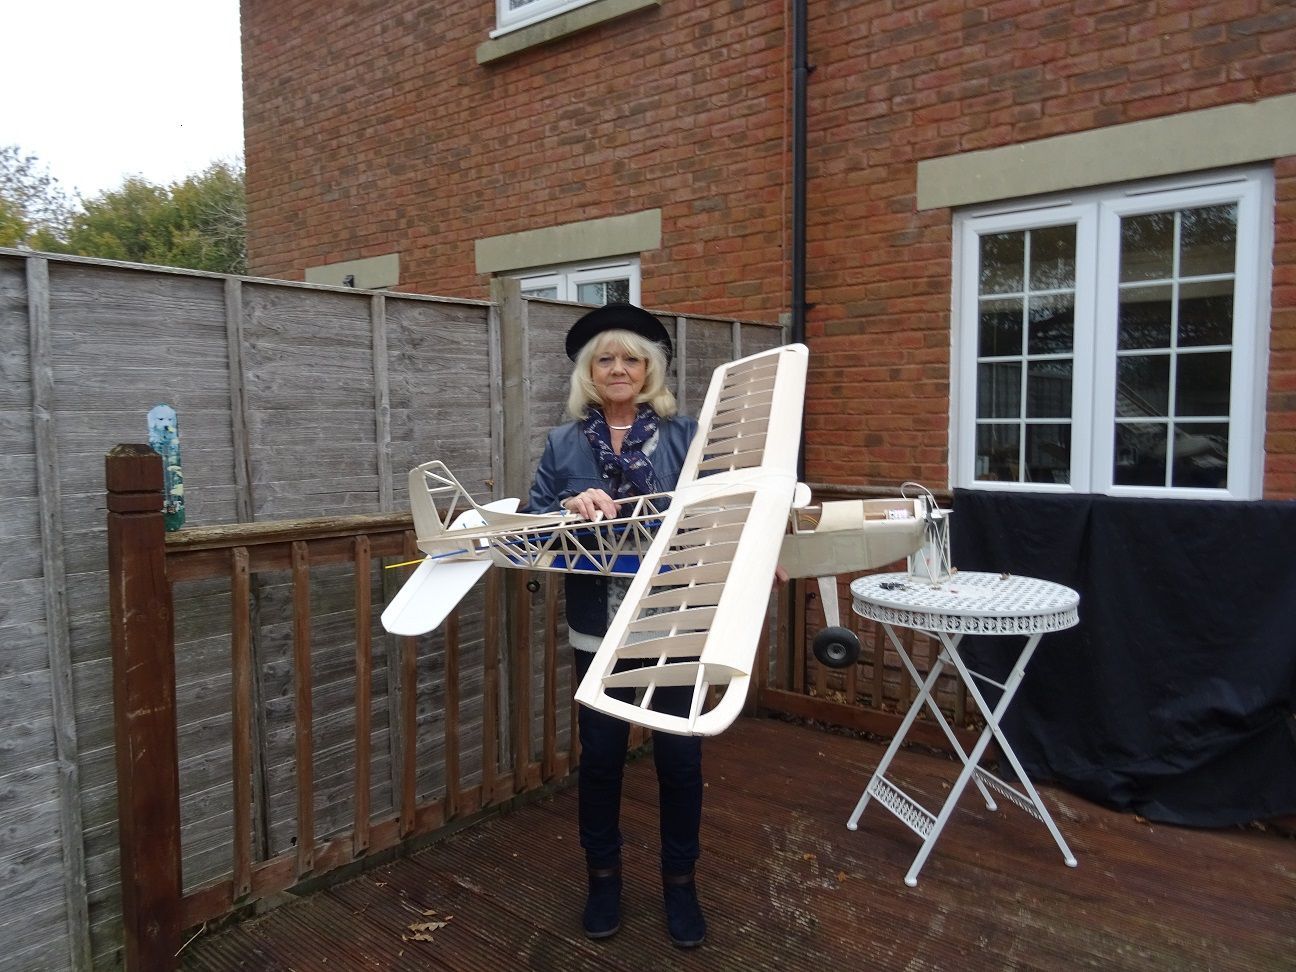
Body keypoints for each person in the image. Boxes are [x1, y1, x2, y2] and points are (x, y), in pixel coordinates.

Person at [525, 302, 707, 948]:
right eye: (606, 358)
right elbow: (532, 525)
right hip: (596, 628)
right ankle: (603, 880)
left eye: (632, 357)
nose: (619, 368)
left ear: (650, 368)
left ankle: (681, 885)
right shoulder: (563, 443)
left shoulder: (688, 437)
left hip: (674, 620)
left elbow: (720, 512)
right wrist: (567, 505)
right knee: (602, 759)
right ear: (589, 371)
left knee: (679, 759)